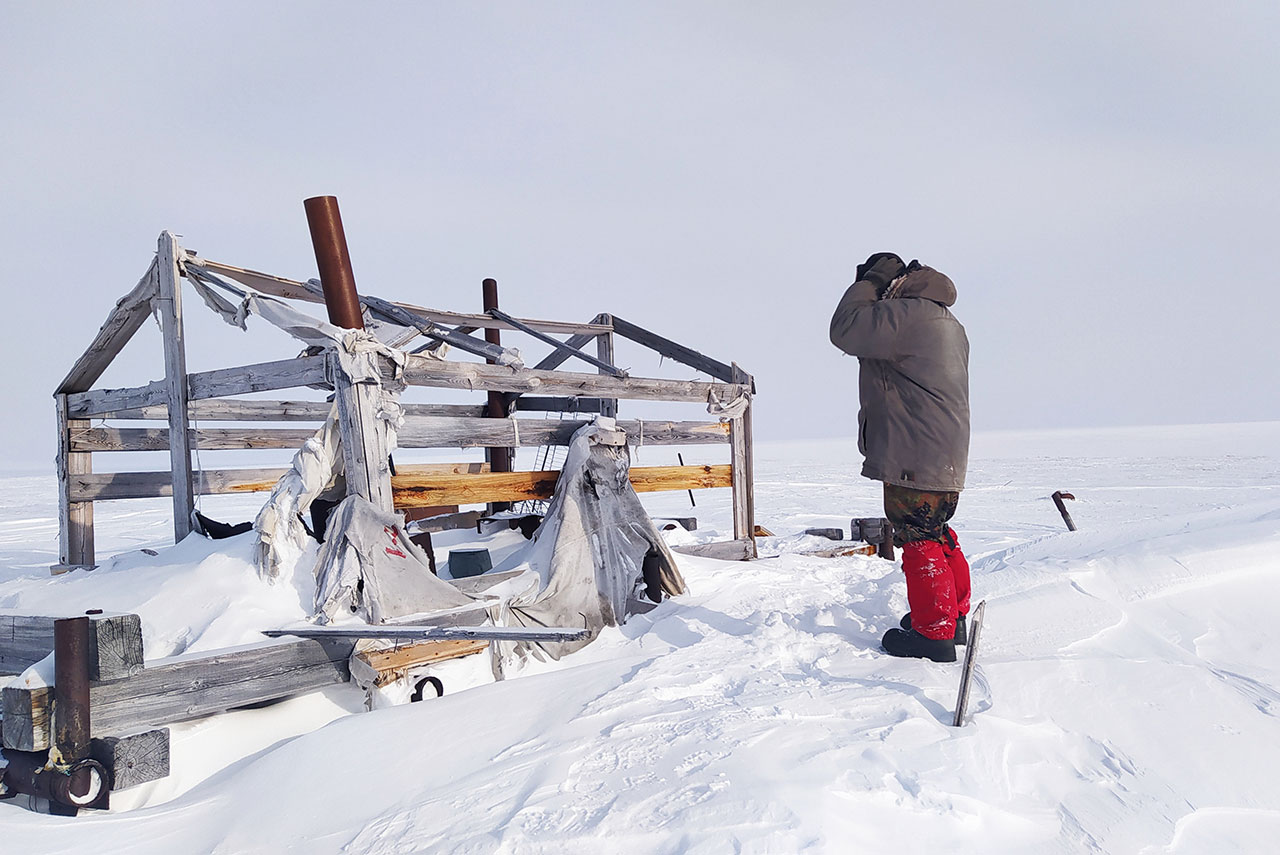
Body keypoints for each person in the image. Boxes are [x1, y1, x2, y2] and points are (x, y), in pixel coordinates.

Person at [829, 252, 972, 663]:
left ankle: (933, 635)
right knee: (936, 529)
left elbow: (846, 329)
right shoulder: (947, 322)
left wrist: (869, 284)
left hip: (915, 448)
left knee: (918, 535)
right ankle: (952, 617)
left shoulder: (908, 316)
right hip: (942, 449)